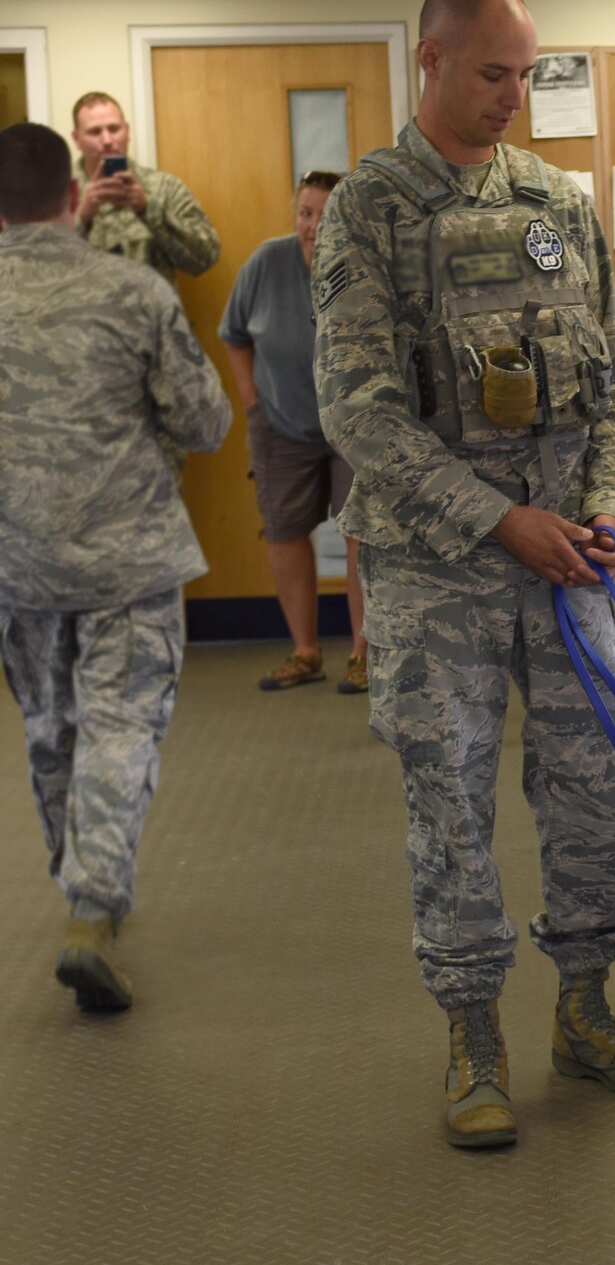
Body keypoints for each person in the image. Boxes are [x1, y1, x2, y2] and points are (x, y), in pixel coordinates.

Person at [312, 0, 615, 1149]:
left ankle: (585, 1007)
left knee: (594, 792)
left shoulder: (557, 203)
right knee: (451, 805)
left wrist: (614, 508)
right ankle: (472, 1031)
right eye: (493, 72)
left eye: (528, 73)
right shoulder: (373, 208)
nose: (516, 95)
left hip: (572, 560)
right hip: (437, 568)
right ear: (429, 60)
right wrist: (492, 517)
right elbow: (359, 413)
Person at [0, 122, 232, 1013]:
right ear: (72, 194)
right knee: (120, 728)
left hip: (20, 563)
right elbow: (204, 423)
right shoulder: (133, 293)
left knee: (52, 726)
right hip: (127, 558)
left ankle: (78, 881)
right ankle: (92, 908)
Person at [220, 171, 369, 694]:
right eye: (306, 213)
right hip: (280, 423)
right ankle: (305, 653)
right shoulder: (266, 262)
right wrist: (251, 401)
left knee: (361, 533)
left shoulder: (366, 263)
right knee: (284, 530)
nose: (313, 225)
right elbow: (234, 334)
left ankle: (362, 652)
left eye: (325, 215)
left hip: (352, 424)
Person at [70, 92, 220, 286]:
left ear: (127, 131)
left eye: (114, 129)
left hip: (152, 315)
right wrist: (81, 217)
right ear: (76, 139)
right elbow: (35, 273)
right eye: (95, 132)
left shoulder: (165, 188)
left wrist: (149, 209)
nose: (107, 140)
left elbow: (205, 258)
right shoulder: (56, 196)